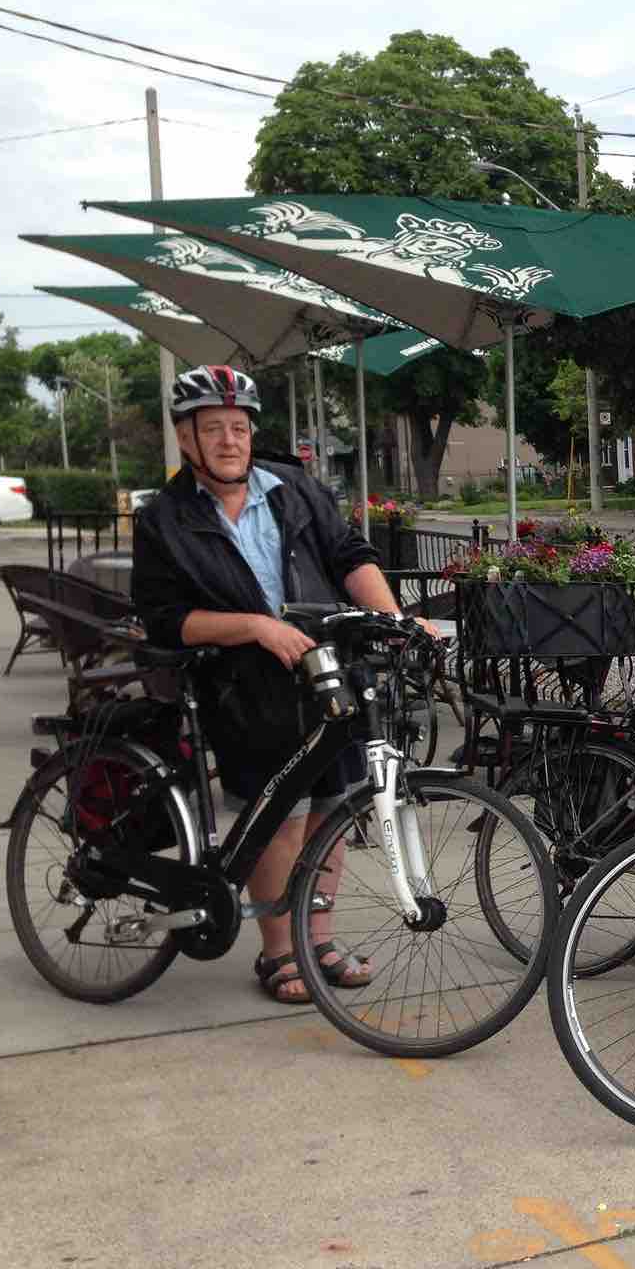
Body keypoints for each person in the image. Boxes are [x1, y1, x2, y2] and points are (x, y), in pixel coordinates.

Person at [133, 365, 419, 1004]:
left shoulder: (292, 488)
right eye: (214, 429)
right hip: (244, 685)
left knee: (331, 813)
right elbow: (167, 620)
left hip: (327, 673)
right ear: (187, 440)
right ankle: (278, 954)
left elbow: (349, 556)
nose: (231, 440)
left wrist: (392, 619)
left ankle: (318, 943)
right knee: (280, 822)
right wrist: (257, 627)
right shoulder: (165, 519)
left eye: (239, 427)